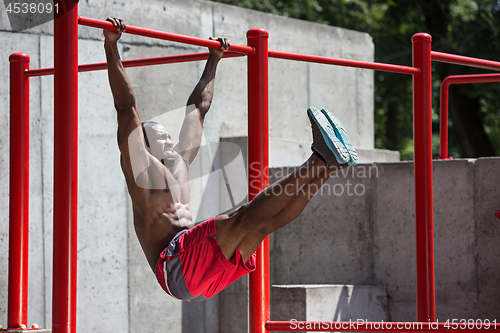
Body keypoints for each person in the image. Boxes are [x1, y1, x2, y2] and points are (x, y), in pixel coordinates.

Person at [104, 17, 358, 302]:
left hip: (201, 274)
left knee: (263, 226)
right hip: (174, 266)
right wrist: (111, 46)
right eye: (157, 136)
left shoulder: (180, 163)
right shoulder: (141, 171)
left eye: (167, 135)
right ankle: (318, 158)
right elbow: (126, 108)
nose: (167, 140)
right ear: (144, 144)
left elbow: (198, 109)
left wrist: (214, 60)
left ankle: (326, 167)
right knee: (242, 215)